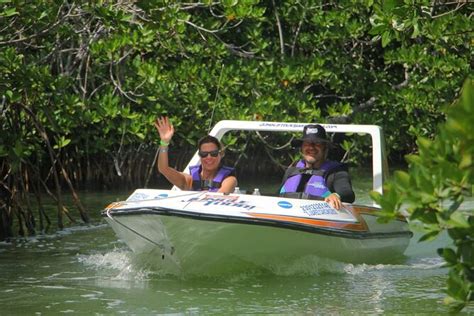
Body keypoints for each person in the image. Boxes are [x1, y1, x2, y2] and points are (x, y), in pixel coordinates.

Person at [279, 124, 355, 209]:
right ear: (301, 148)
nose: (311, 147)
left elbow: (348, 194)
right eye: (307, 143)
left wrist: (336, 195)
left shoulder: (336, 173)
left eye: (317, 143)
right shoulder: (290, 172)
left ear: (325, 148)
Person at [154, 116, 237, 193]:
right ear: (200, 155)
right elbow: (163, 168)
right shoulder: (189, 181)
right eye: (204, 154)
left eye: (213, 153)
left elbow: (219, 197)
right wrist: (164, 142)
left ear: (221, 154)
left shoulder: (229, 180)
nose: (209, 157)